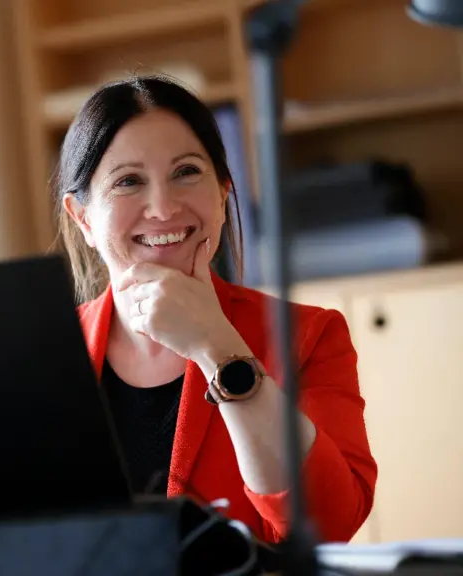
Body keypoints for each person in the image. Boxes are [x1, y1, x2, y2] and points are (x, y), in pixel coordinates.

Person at [56, 75, 377, 544]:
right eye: (128, 181)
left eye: (186, 172)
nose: (163, 208)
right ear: (83, 217)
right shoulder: (47, 353)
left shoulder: (309, 334)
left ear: (224, 193)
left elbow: (329, 526)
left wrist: (216, 346)